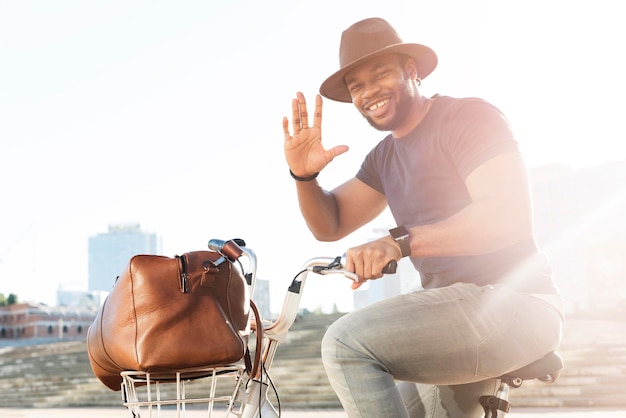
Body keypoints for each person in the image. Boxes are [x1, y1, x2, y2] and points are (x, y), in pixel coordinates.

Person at [282, 17, 563, 418]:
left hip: (515, 302)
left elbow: (508, 217)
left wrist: (400, 243)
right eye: (357, 86)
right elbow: (330, 224)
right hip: (449, 312)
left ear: (411, 71)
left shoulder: (467, 118)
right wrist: (304, 176)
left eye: (379, 75)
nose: (368, 93)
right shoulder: (383, 158)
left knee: (345, 344)